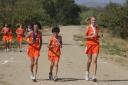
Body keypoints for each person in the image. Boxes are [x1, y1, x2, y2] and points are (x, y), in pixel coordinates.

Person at [85, 16, 100, 82]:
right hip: (89, 45)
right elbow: (85, 36)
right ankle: (87, 73)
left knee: (95, 60)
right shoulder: (88, 27)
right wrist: (91, 36)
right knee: (89, 60)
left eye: (95, 20)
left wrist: (99, 36)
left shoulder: (97, 27)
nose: (94, 21)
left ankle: (94, 76)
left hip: (96, 45)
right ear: (90, 21)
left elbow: (97, 35)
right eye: (92, 20)